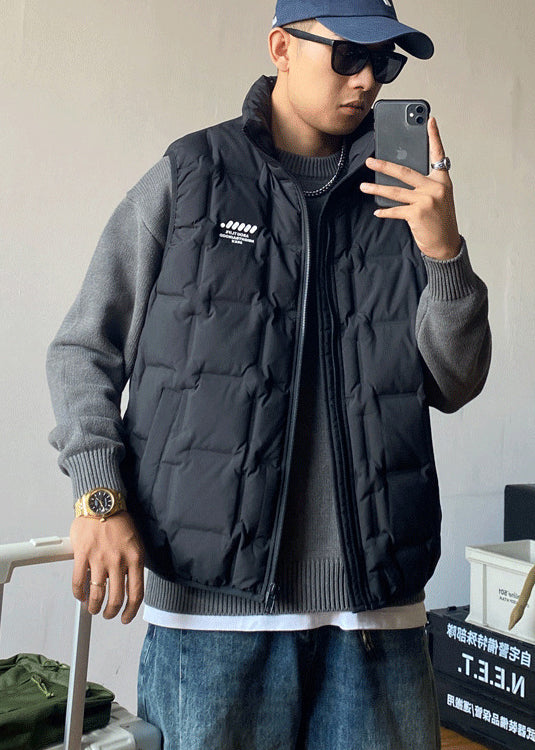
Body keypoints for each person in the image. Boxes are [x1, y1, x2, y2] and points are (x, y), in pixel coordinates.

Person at [46, 0, 491, 747]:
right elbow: (83, 348)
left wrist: (445, 254)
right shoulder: (192, 176)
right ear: (281, 47)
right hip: (215, 624)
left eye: (384, 63)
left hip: (376, 619)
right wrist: (99, 495)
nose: (367, 82)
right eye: (347, 56)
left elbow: (454, 382)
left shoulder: (402, 201)